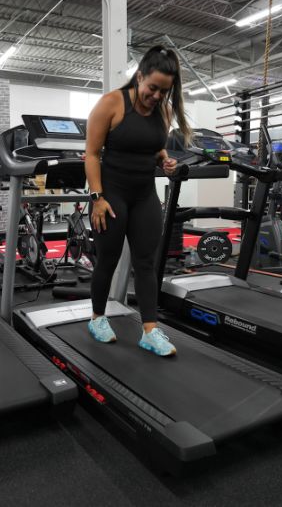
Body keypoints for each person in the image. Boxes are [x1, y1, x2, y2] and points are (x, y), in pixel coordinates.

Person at [83, 46, 192, 357]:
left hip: (144, 194)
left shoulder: (165, 111)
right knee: (109, 259)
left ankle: (150, 330)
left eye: (164, 91)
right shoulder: (111, 103)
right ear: (140, 76)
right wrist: (97, 198)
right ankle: (97, 318)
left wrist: (165, 161)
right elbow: (91, 155)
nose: (157, 96)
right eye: (152, 88)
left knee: (146, 262)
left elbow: (153, 148)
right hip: (112, 194)